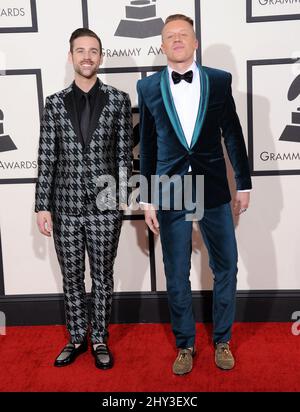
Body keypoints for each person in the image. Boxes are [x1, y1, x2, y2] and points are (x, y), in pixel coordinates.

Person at [137, 14, 252, 375]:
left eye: (182, 34)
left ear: (195, 41)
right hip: (171, 189)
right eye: (169, 36)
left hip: (213, 186)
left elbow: (232, 133)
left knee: (226, 266)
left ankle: (222, 340)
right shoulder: (149, 87)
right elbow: (148, 145)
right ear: (162, 44)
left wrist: (244, 183)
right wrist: (147, 197)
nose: (176, 40)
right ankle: (185, 345)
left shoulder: (219, 81)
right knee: (175, 272)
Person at [35, 28, 133, 370]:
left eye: (93, 51)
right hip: (64, 208)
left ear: (101, 57)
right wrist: (42, 205)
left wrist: (120, 196)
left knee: (103, 276)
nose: (87, 56)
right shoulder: (54, 103)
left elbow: (124, 154)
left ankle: (100, 339)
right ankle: (77, 338)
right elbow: (47, 157)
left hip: (105, 208)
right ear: (71, 56)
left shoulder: (119, 100)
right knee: (72, 276)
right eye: (81, 51)